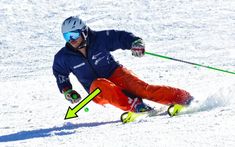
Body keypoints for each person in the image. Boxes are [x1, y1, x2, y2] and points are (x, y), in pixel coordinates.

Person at [53, 16, 193, 113]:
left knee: (144, 90)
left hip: (115, 73)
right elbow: (60, 73)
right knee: (100, 84)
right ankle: (135, 105)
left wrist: (135, 43)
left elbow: (120, 37)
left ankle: (183, 98)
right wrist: (67, 90)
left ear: (84, 32)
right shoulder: (63, 57)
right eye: (66, 36)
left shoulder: (100, 39)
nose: (70, 40)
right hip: (96, 90)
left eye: (73, 35)